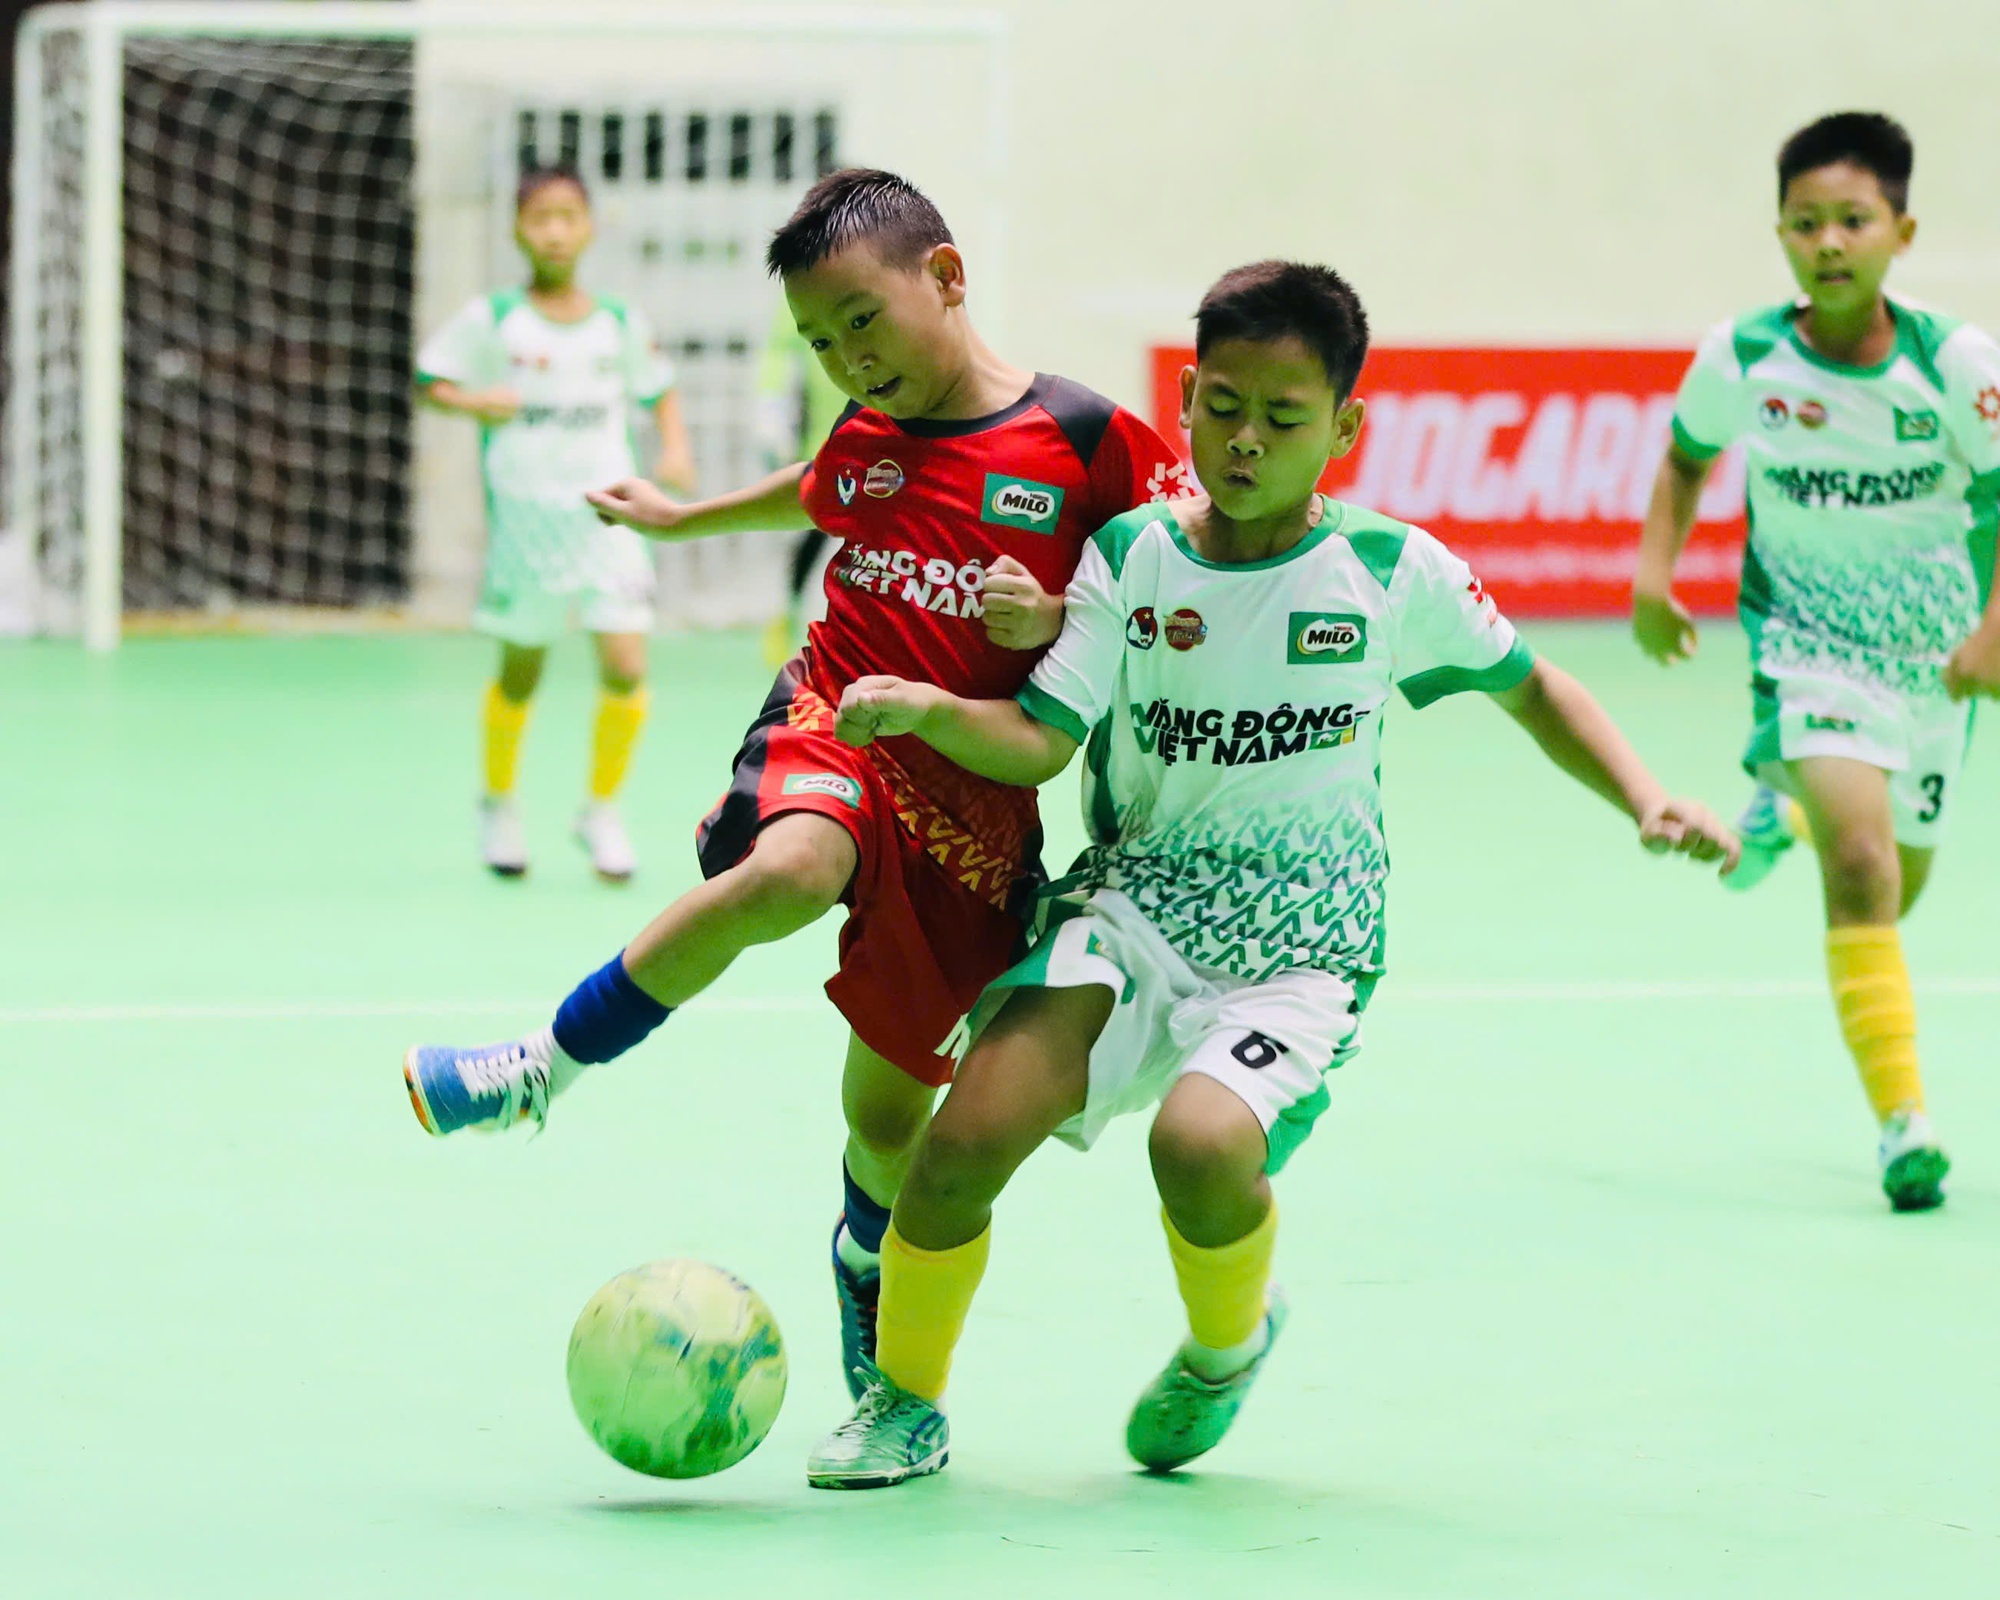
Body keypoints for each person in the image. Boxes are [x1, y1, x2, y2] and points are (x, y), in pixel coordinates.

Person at [803, 260, 1739, 1489]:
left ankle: (1223, 1344)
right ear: (1186, 400)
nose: (1246, 440)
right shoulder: (1130, 555)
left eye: (1284, 419)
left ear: (1344, 428)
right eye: (1224, 407)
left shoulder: (1389, 572)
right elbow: (1042, 735)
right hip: (1132, 905)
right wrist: (925, 707)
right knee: (964, 1133)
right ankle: (904, 1403)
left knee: (1195, 1151)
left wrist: (1644, 794)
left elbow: (1534, 689)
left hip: (1300, 945)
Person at [402, 169, 1189, 1397]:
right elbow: (814, 489)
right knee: (793, 865)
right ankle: (537, 1068)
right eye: (820, 343)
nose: (847, 362)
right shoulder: (866, 436)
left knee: (884, 1122)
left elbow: (1181, 576)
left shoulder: (1084, 438)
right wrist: (679, 522)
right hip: (834, 715)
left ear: (944, 278)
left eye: (861, 324)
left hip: (976, 802)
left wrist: (1064, 611)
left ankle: (860, 1259)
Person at [1632, 112, 2000, 1211]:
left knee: (1902, 885)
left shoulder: (1954, 363)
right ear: (1779, 234)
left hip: (1935, 662)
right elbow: (1685, 460)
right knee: (1861, 867)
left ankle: (1775, 804)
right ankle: (1902, 1124)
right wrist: (1653, 575)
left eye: (1852, 220)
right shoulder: (1742, 354)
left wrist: (1990, 627)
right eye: (1804, 223)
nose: (1827, 242)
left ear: (1901, 230)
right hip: (1809, 643)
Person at [417, 165, 696, 882]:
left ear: (589, 228)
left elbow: (659, 391)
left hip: (609, 520)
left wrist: (675, 448)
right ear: (518, 229)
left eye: (569, 215)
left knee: (627, 665)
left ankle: (601, 811)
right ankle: (499, 806)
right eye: (541, 216)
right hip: (527, 524)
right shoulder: (495, 317)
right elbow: (430, 381)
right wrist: (475, 402)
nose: (555, 230)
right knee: (522, 671)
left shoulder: (618, 322)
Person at [754, 301, 848, 667]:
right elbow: (779, 357)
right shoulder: (798, 300)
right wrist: (771, 413)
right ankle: (786, 612)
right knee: (812, 532)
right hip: (822, 443)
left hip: (882, 436)